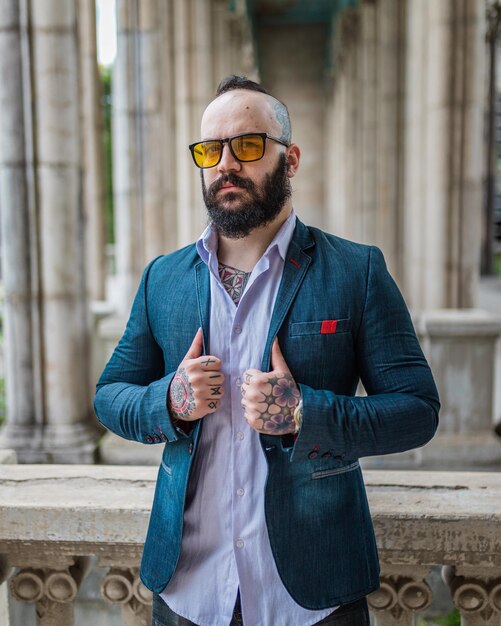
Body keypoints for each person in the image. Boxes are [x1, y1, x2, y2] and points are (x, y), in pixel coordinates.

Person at [94, 75, 440, 626]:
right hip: (188, 592)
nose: (226, 163)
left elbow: (418, 412)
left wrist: (306, 414)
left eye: (248, 146)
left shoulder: (356, 270)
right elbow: (110, 396)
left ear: (291, 158)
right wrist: (171, 401)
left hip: (312, 595)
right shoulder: (164, 278)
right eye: (211, 150)